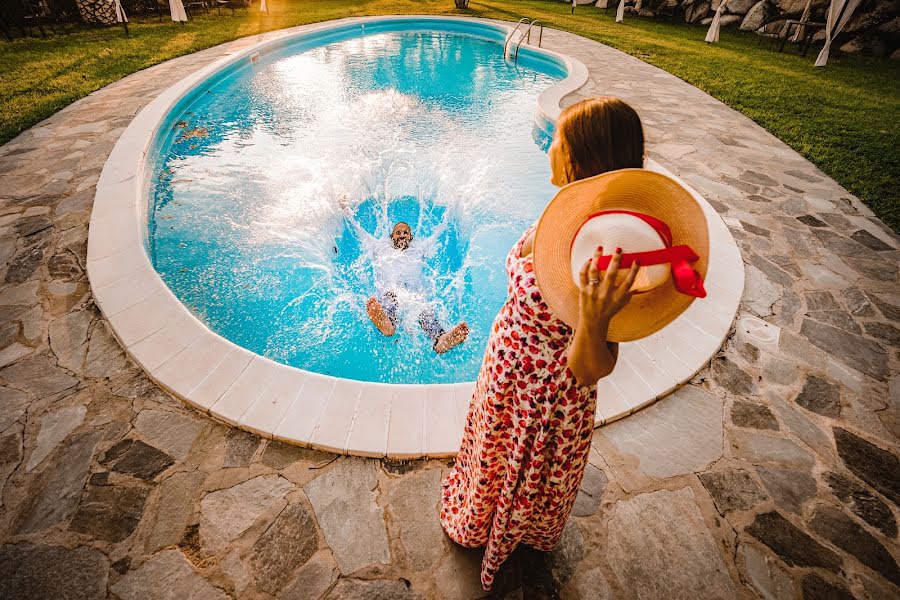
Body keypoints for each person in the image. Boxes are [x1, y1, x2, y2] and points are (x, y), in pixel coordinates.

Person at [439, 97, 645, 590]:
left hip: (541, 406)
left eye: (557, 138)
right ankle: (480, 518)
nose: (548, 144)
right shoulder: (573, 214)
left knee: (518, 481)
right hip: (510, 383)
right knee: (493, 463)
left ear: (580, 158)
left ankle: (506, 548)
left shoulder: (603, 252)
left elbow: (593, 368)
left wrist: (595, 320)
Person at [366, 221, 469, 353]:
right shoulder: (381, 249)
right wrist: (347, 214)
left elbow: (438, 232)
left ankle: (440, 340)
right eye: (398, 233)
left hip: (413, 296)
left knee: (423, 310)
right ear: (391, 237)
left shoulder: (419, 249)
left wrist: (454, 207)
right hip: (391, 292)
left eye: (405, 233)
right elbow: (361, 234)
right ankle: (388, 325)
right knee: (391, 298)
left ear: (411, 237)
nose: (402, 235)